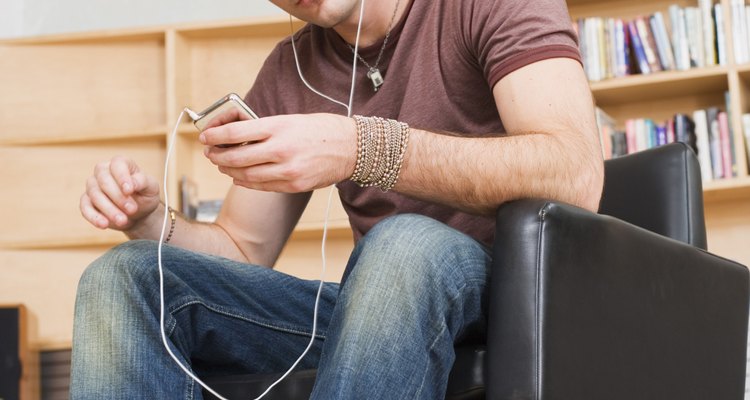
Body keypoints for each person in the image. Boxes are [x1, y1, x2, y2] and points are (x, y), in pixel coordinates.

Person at [71, 0, 604, 398]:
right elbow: (242, 248)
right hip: (381, 306)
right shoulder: (290, 69)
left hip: (519, 297)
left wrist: (360, 147)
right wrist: (147, 220)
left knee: (405, 246)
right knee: (127, 275)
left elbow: (574, 174)